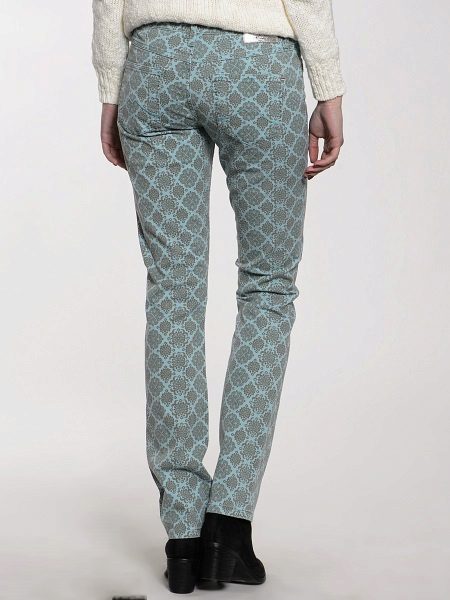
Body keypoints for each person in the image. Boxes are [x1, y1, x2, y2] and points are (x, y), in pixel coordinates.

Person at [92, 0, 345, 594]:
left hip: (154, 65)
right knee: (268, 287)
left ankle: (183, 533)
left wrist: (111, 87)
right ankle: (227, 525)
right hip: (255, 68)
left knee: (172, 288)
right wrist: (328, 86)